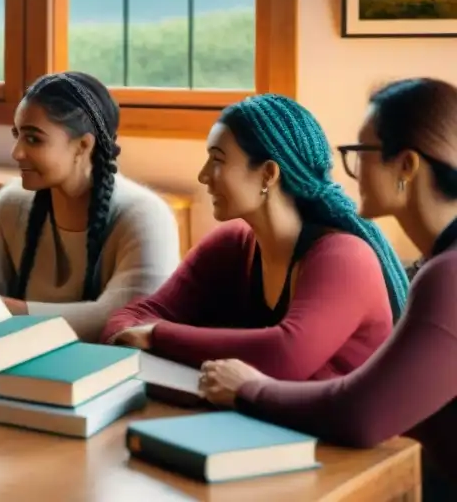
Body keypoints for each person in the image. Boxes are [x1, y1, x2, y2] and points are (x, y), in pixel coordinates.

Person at [200, 79, 457, 500]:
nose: (349, 169)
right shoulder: (438, 264)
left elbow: (364, 413)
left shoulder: (448, 276)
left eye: (362, 153)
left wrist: (249, 388)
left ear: (406, 167)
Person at [102, 93, 407, 381]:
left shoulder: (344, 257)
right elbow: (130, 319)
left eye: (217, 160)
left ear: (268, 174)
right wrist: (143, 331)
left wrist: (156, 336)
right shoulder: (233, 243)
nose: (203, 175)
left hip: (343, 435)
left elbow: (285, 356)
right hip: (265, 423)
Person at [0, 72, 181, 340]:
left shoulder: (145, 215)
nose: (16, 152)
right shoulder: (13, 201)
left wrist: (5, 311)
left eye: (33, 139)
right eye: (17, 135)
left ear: (83, 145)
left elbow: (128, 317)